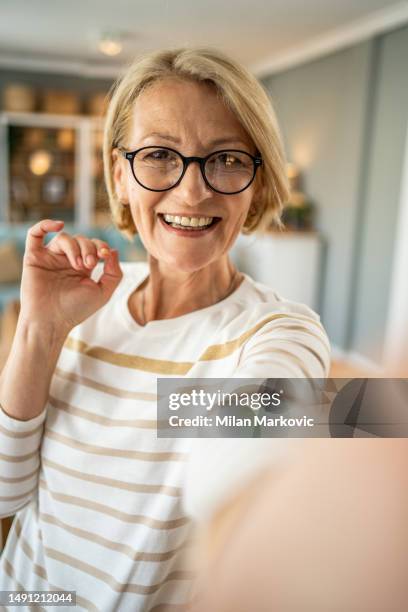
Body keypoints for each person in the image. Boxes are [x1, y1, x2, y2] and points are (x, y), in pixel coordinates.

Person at [0, 47, 330, 611]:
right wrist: (39, 331)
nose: (193, 191)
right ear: (118, 174)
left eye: (226, 159)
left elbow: (252, 446)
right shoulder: (84, 298)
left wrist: (360, 411)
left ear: (257, 181)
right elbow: (7, 491)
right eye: (158, 155)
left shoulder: (279, 331)